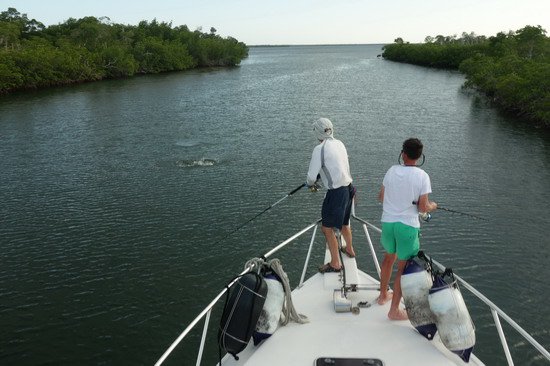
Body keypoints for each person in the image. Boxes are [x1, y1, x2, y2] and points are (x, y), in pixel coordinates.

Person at [377, 138, 437, 320]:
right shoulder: (422, 176)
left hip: (388, 224)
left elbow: (381, 197)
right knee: (402, 268)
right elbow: (422, 207)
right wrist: (433, 206)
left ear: (403, 154)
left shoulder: (391, 170)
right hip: (407, 228)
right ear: (420, 156)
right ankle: (394, 310)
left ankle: (382, 296)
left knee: (388, 258)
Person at [306, 117, 355, 273]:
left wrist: (310, 184)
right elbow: (337, 165)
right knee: (345, 223)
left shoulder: (319, 149)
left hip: (336, 193)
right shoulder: (339, 143)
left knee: (327, 229)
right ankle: (350, 250)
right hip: (349, 188)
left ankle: (335, 263)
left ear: (318, 133)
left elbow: (311, 178)